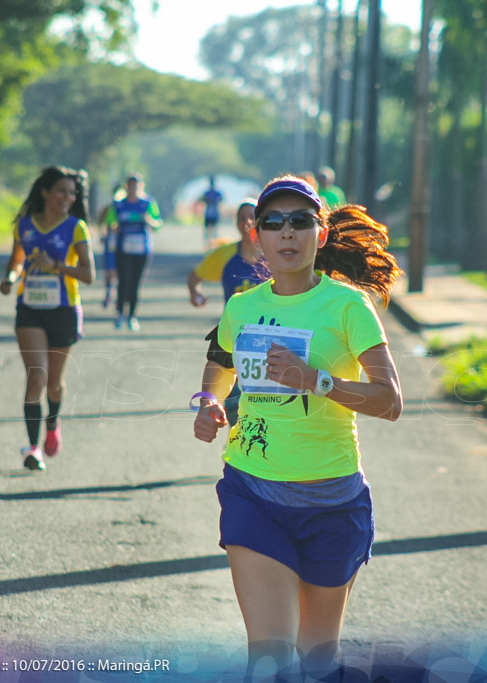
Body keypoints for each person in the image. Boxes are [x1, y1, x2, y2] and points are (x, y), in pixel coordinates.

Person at [191, 175, 403, 681]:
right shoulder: (241, 307)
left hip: (333, 502)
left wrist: (318, 381)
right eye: (274, 223)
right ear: (255, 235)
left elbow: (390, 400)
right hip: (253, 493)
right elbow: (220, 364)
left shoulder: (348, 306)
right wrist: (207, 401)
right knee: (268, 659)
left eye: (301, 221)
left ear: (320, 234)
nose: (287, 232)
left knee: (316, 659)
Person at [0, 166, 95, 471]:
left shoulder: (76, 228)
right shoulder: (24, 226)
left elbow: (88, 274)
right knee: (36, 377)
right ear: (45, 192)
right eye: (61, 191)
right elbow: (16, 261)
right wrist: (10, 278)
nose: (67, 197)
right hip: (29, 308)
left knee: (53, 384)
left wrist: (56, 265)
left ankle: (52, 424)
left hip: (64, 310)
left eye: (71, 193)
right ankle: (33, 448)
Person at [187, 198, 268, 425]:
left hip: (270, 340)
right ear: (235, 223)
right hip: (234, 340)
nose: (247, 223)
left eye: (252, 217)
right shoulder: (224, 255)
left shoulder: (277, 256)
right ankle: (239, 439)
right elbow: (194, 276)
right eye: (242, 218)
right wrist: (195, 294)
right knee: (234, 405)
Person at [102, 174, 162, 332]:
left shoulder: (147, 203)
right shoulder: (118, 205)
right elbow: (109, 223)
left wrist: (148, 220)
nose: (133, 189)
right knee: (123, 281)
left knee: (135, 282)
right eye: (130, 185)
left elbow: (157, 224)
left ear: (141, 186)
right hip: (123, 249)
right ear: (126, 187)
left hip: (142, 249)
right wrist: (113, 228)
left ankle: (132, 316)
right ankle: (120, 313)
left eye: (136, 185)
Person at [199, 175, 225, 249]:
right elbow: (221, 199)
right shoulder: (215, 192)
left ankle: (211, 244)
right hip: (212, 213)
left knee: (211, 230)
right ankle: (211, 244)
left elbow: (202, 199)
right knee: (212, 230)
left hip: (210, 213)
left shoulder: (208, 192)